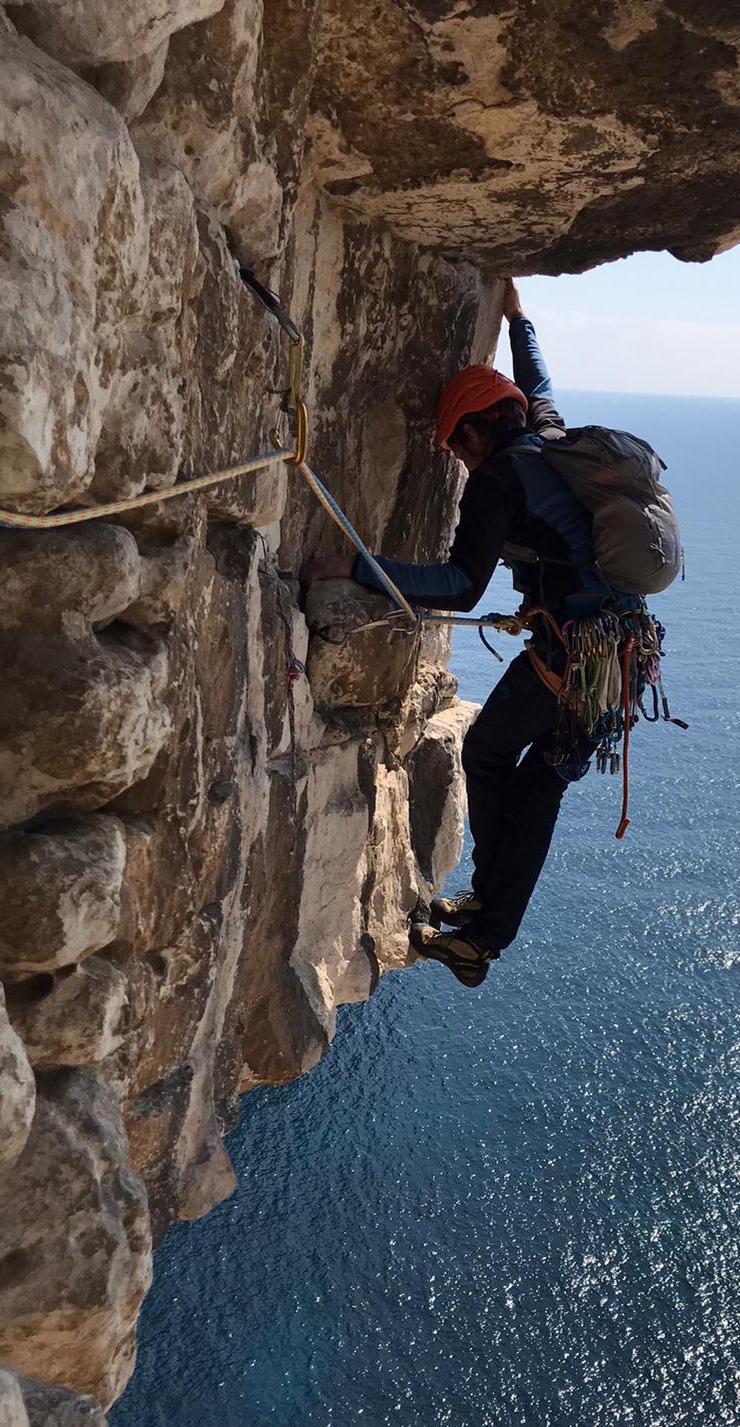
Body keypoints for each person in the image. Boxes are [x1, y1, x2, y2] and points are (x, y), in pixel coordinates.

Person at [302, 279, 616, 987]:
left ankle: (484, 935)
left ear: (476, 430)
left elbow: (460, 586)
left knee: (495, 758)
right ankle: (485, 917)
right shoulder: (548, 437)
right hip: (619, 657)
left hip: (572, 657)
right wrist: (517, 319)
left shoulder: (499, 478)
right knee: (531, 781)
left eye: (458, 447)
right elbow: (538, 380)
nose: (460, 461)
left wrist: (356, 566)